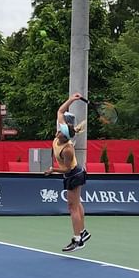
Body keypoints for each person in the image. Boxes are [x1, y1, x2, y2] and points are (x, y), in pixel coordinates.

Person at [44, 93, 90, 252]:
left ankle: (78, 240)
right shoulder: (62, 131)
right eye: (59, 130)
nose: (57, 133)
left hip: (74, 174)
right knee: (76, 204)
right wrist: (72, 99)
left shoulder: (68, 149)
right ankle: (82, 231)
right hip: (72, 174)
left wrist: (52, 170)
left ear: (66, 137)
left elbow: (67, 169)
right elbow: (60, 111)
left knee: (72, 207)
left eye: (61, 133)